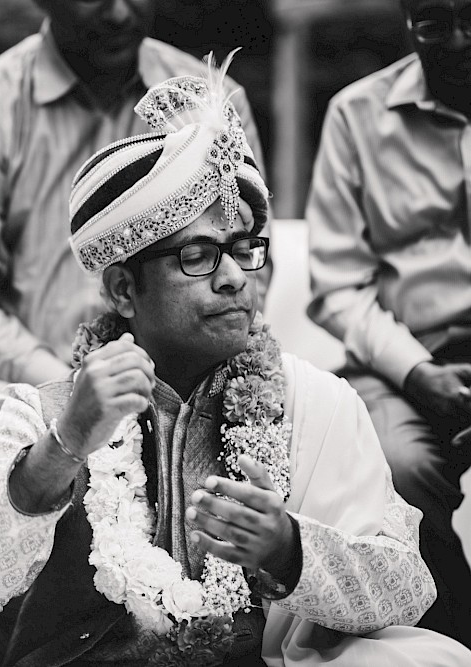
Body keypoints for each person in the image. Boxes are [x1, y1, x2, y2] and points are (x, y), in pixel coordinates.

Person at [0, 63, 471, 666]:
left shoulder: (317, 403)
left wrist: (288, 549)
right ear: (124, 290)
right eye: (199, 255)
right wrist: (63, 449)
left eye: (242, 249)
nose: (235, 276)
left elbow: (407, 593)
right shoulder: (48, 414)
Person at [0, 0, 267, 558]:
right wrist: (73, 399)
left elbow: (245, 246)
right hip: (13, 373)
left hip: (185, 364)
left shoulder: (206, 100)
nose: (119, 13)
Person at [306, 0, 471, 647]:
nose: (457, 42)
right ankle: (455, 643)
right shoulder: (355, 114)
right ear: (407, 20)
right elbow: (339, 286)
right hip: (402, 360)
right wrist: (418, 371)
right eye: (434, 23)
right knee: (396, 469)